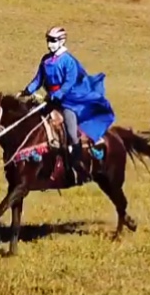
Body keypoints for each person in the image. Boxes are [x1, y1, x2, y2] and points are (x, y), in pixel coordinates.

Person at [22, 26, 116, 184]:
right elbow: (39, 79)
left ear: (62, 41)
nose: (50, 44)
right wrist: (27, 90)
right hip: (50, 98)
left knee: (72, 132)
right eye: (48, 40)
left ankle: (77, 165)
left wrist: (57, 95)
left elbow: (69, 82)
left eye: (53, 41)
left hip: (69, 100)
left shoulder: (68, 61)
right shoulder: (45, 60)